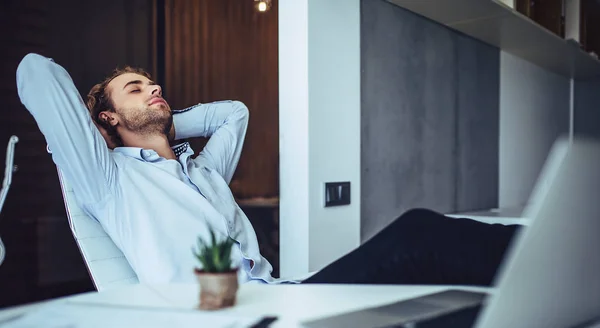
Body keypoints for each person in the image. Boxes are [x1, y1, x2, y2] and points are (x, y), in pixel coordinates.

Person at [16, 53, 521, 286]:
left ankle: (542, 269)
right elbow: (37, 72)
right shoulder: (109, 179)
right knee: (419, 236)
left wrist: (164, 125)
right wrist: (118, 134)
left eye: (153, 84)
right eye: (136, 89)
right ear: (106, 116)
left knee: (429, 280)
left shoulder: (204, 170)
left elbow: (234, 111)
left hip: (280, 295)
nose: (153, 89)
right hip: (225, 318)